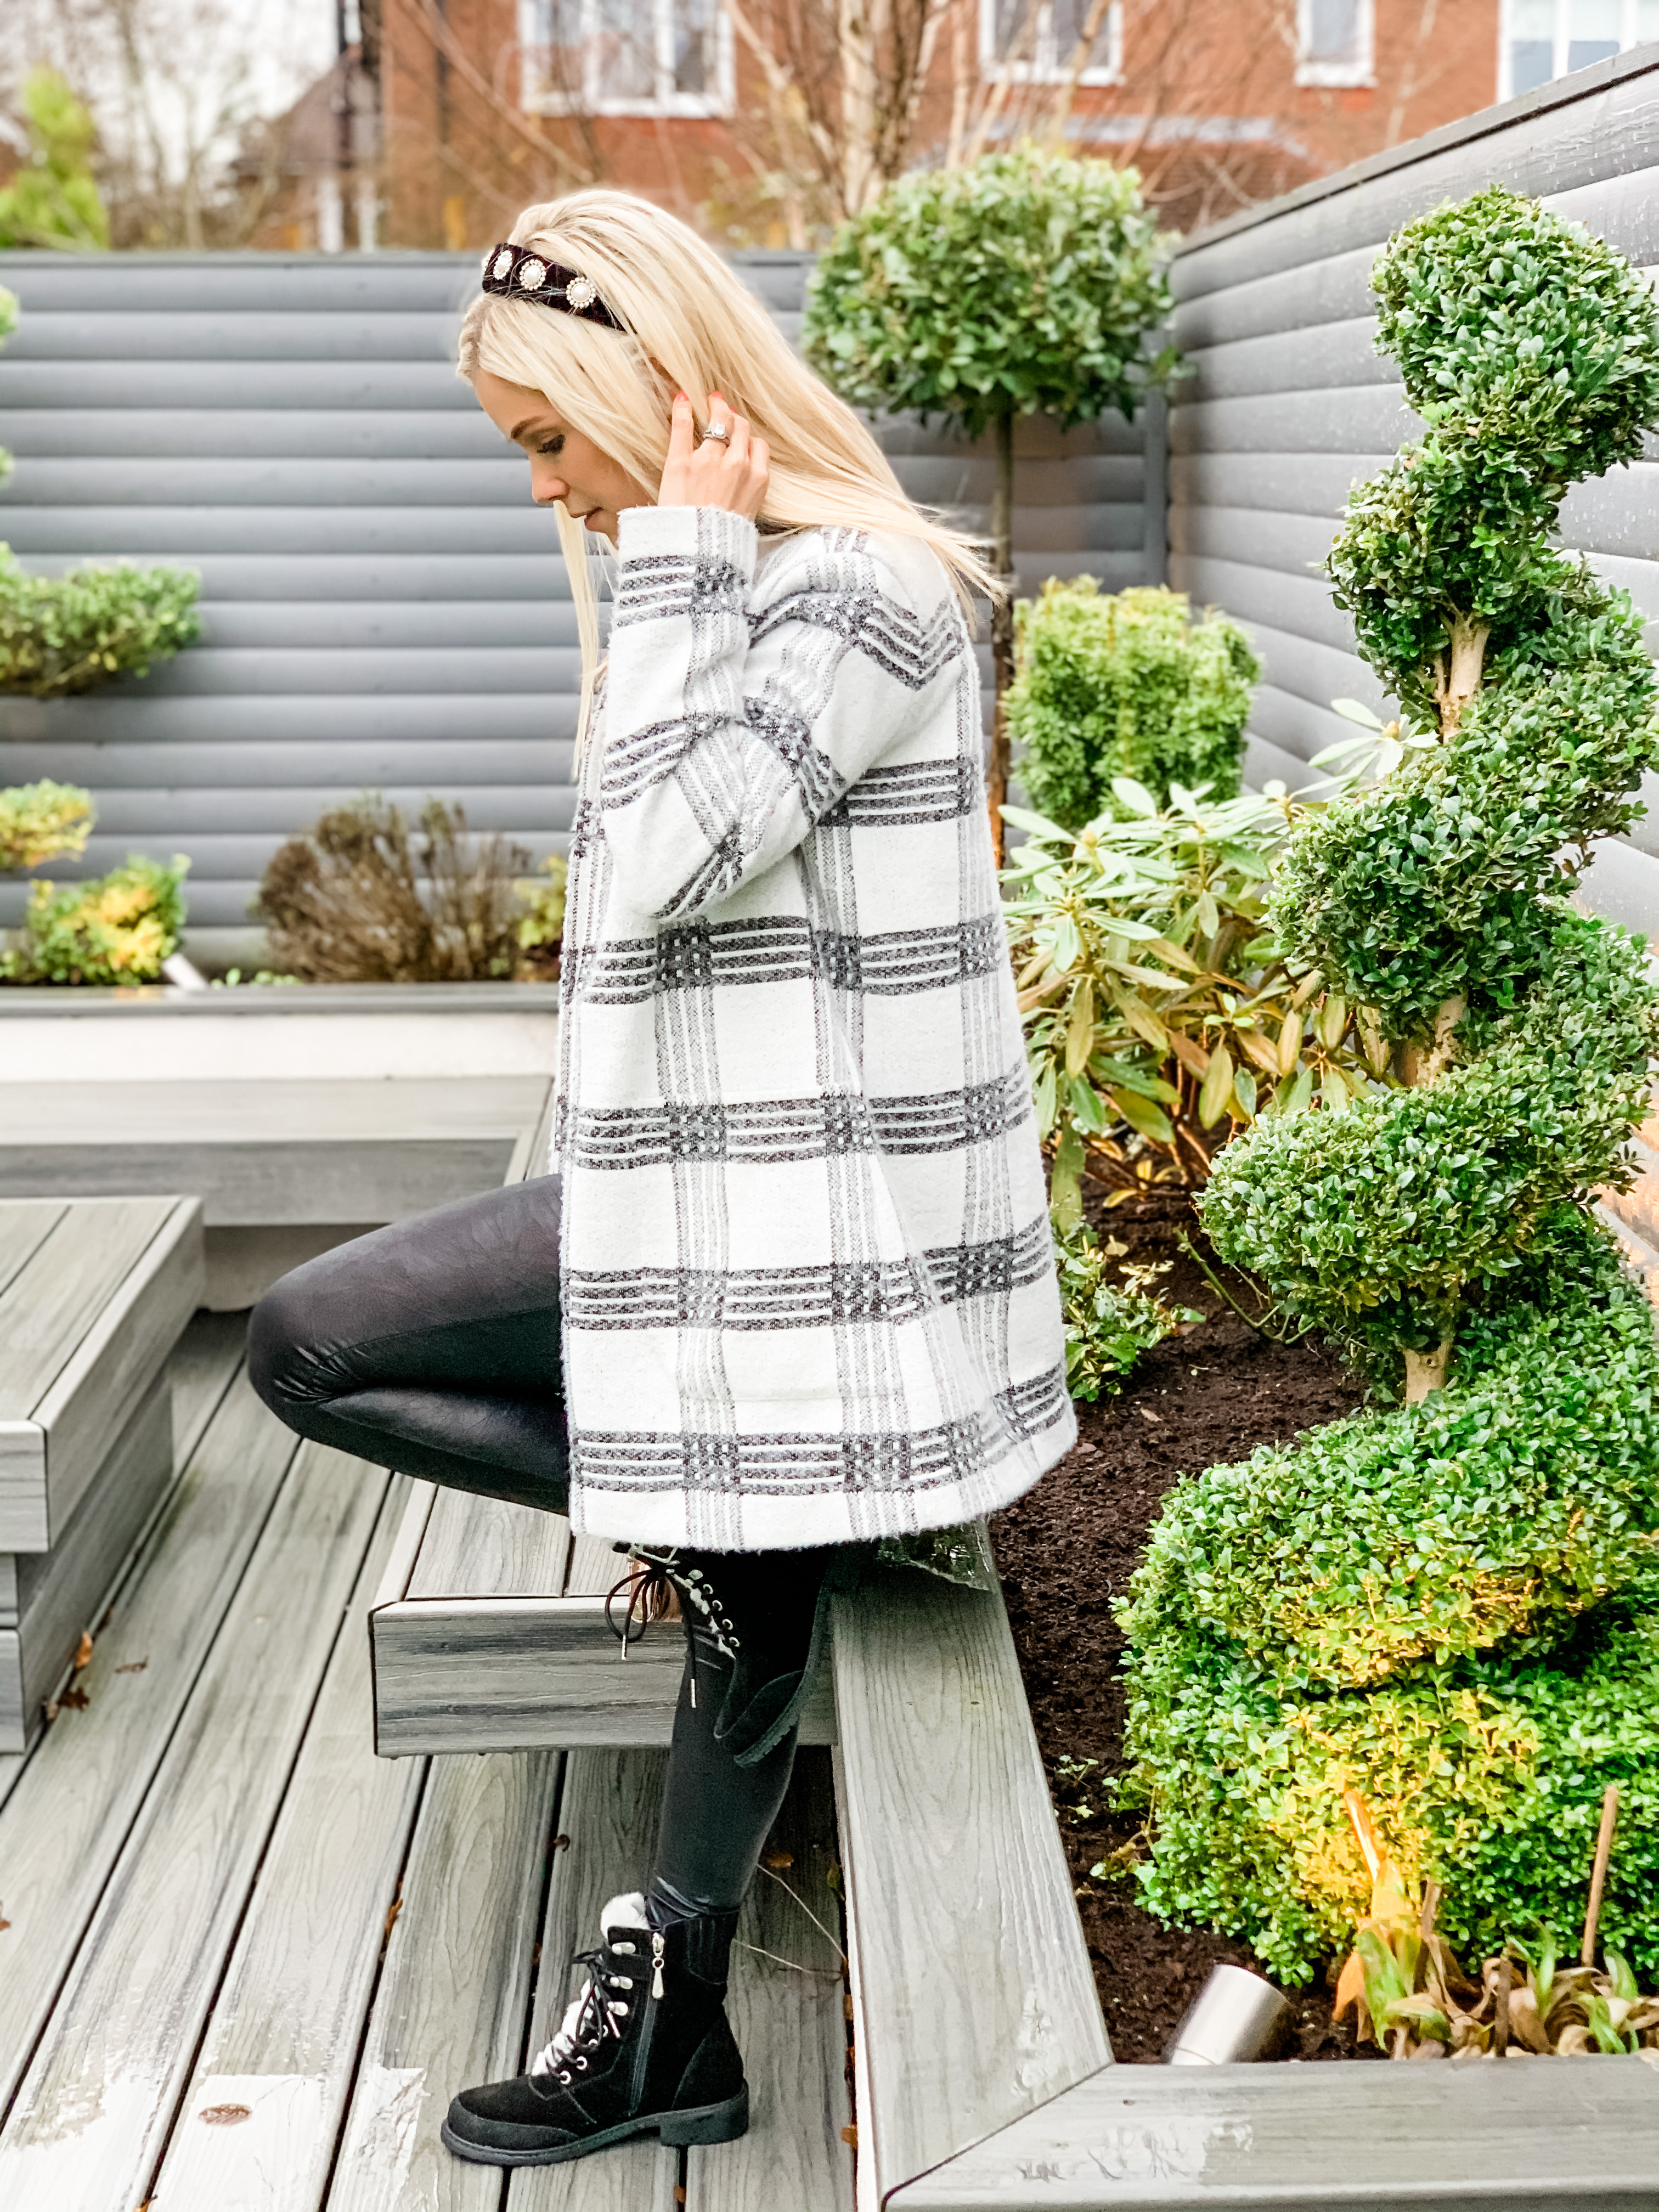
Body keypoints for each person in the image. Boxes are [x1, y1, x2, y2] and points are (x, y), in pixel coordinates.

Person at [248, 189, 1074, 2172]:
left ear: (647, 378)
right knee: (311, 1347)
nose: (554, 493)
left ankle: (669, 2029)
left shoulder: (854, 589)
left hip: (804, 1236)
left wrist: (686, 556)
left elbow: (664, 858)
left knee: (324, 1354)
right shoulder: (733, 584)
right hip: (707, 1204)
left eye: (552, 439)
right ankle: (749, 1526)